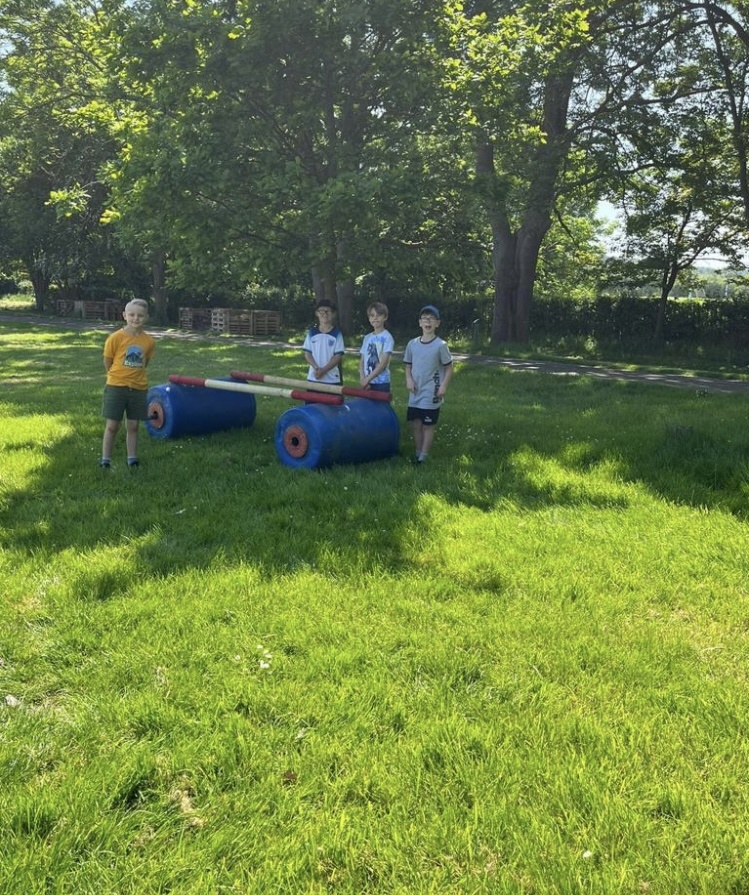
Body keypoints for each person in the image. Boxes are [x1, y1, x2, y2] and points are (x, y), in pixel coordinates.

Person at [99, 298, 156, 468]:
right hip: (116, 387)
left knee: (133, 425)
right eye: (131, 315)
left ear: (146, 317)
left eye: (140, 315)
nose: (135, 318)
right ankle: (105, 460)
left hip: (138, 388)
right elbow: (107, 361)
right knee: (112, 426)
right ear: (124, 315)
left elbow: (144, 363)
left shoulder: (149, 341)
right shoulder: (115, 338)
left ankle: (132, 458)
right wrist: (115, 377)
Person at [403, 304, 453, 464]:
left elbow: (449, 367)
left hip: (431, 391)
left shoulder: (441, 345)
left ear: (437, 323)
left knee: (427, 426)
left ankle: (424, 457)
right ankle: (417, 452)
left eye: (431, 319)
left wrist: (443, 385)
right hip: (415, 391)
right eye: (424, 318)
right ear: (419, 322)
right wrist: (409, 379)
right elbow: (408, 365)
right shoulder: (412, 344)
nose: (428, 321)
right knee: (416, 424)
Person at [303, 298, 345, 384]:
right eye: (322, 311)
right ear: (317, 313)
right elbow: (307, 353)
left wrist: (324, 370)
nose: (325, 314)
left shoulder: (337, 334)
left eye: (328, 311)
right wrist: (316, 368)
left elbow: (338, 356)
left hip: (332, 379)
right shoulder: (312, 332)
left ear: (333, 314)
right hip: (313, 377)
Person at [359, 301, 394, 393]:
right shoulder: (367, 338)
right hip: (366, 382)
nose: (375, 318)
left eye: (379, 315)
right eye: (372, 315)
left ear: (385, 317)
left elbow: (383, 364)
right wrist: (363, 378)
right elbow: (362, 360)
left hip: (381, 383)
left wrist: (368, 379)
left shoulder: (387, 337)